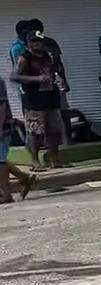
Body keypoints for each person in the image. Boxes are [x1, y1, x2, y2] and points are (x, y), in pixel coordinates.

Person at [10, 32, 64, 170]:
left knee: (54, 130)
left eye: (39, 41)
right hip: (34, 100)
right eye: (33, 41)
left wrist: (59, 79)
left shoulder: (48, 56)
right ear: (28, 43)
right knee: (35, 132)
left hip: (50, 97)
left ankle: (54, 160)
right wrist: (36, 79)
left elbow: (54, 72)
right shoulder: (25, 57)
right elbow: (14, 76)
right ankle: (35, 162)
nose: (37, 44)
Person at [0, 76, 35, 204]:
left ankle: (6, 194)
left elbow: (1, 107)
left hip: (2, 127)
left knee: (0, 161)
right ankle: (23, 177)